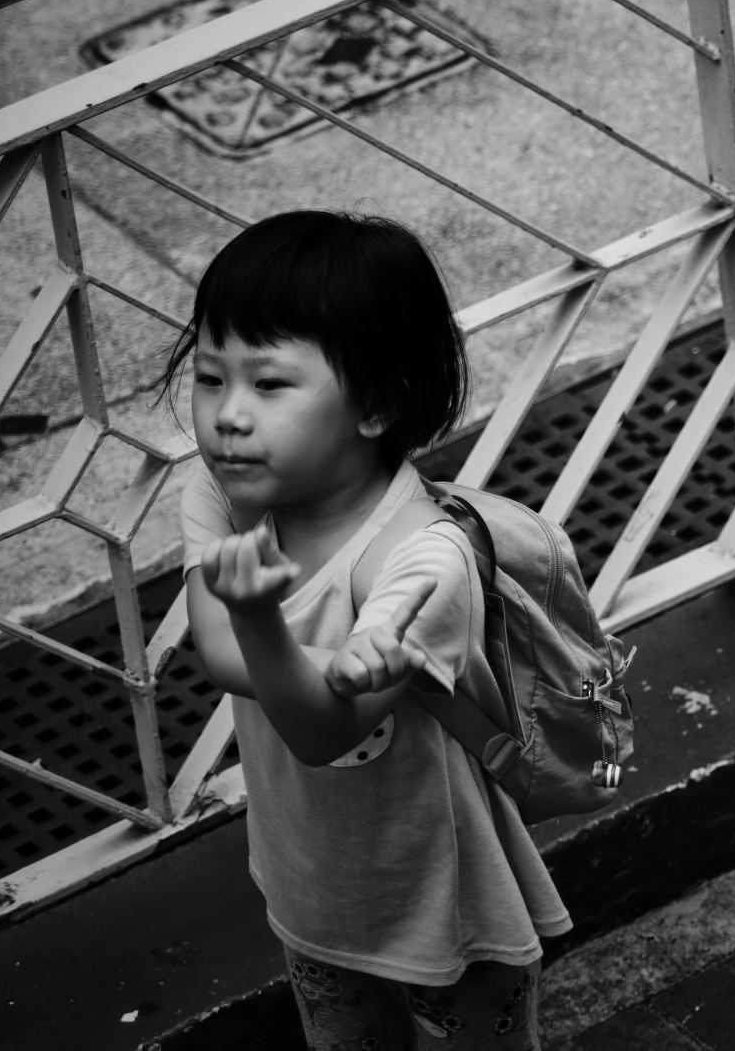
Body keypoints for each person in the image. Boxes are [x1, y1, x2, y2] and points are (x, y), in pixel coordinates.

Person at [170, 210, 568, 1049]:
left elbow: (319, 730)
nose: (228, 415)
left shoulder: (426, 562)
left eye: (269, 384)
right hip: (311, 884)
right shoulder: (223, 495)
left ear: (378, 404)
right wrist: (317, 657)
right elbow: (220, 655)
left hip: (440, 902)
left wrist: (264, 624)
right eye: (211, 377)